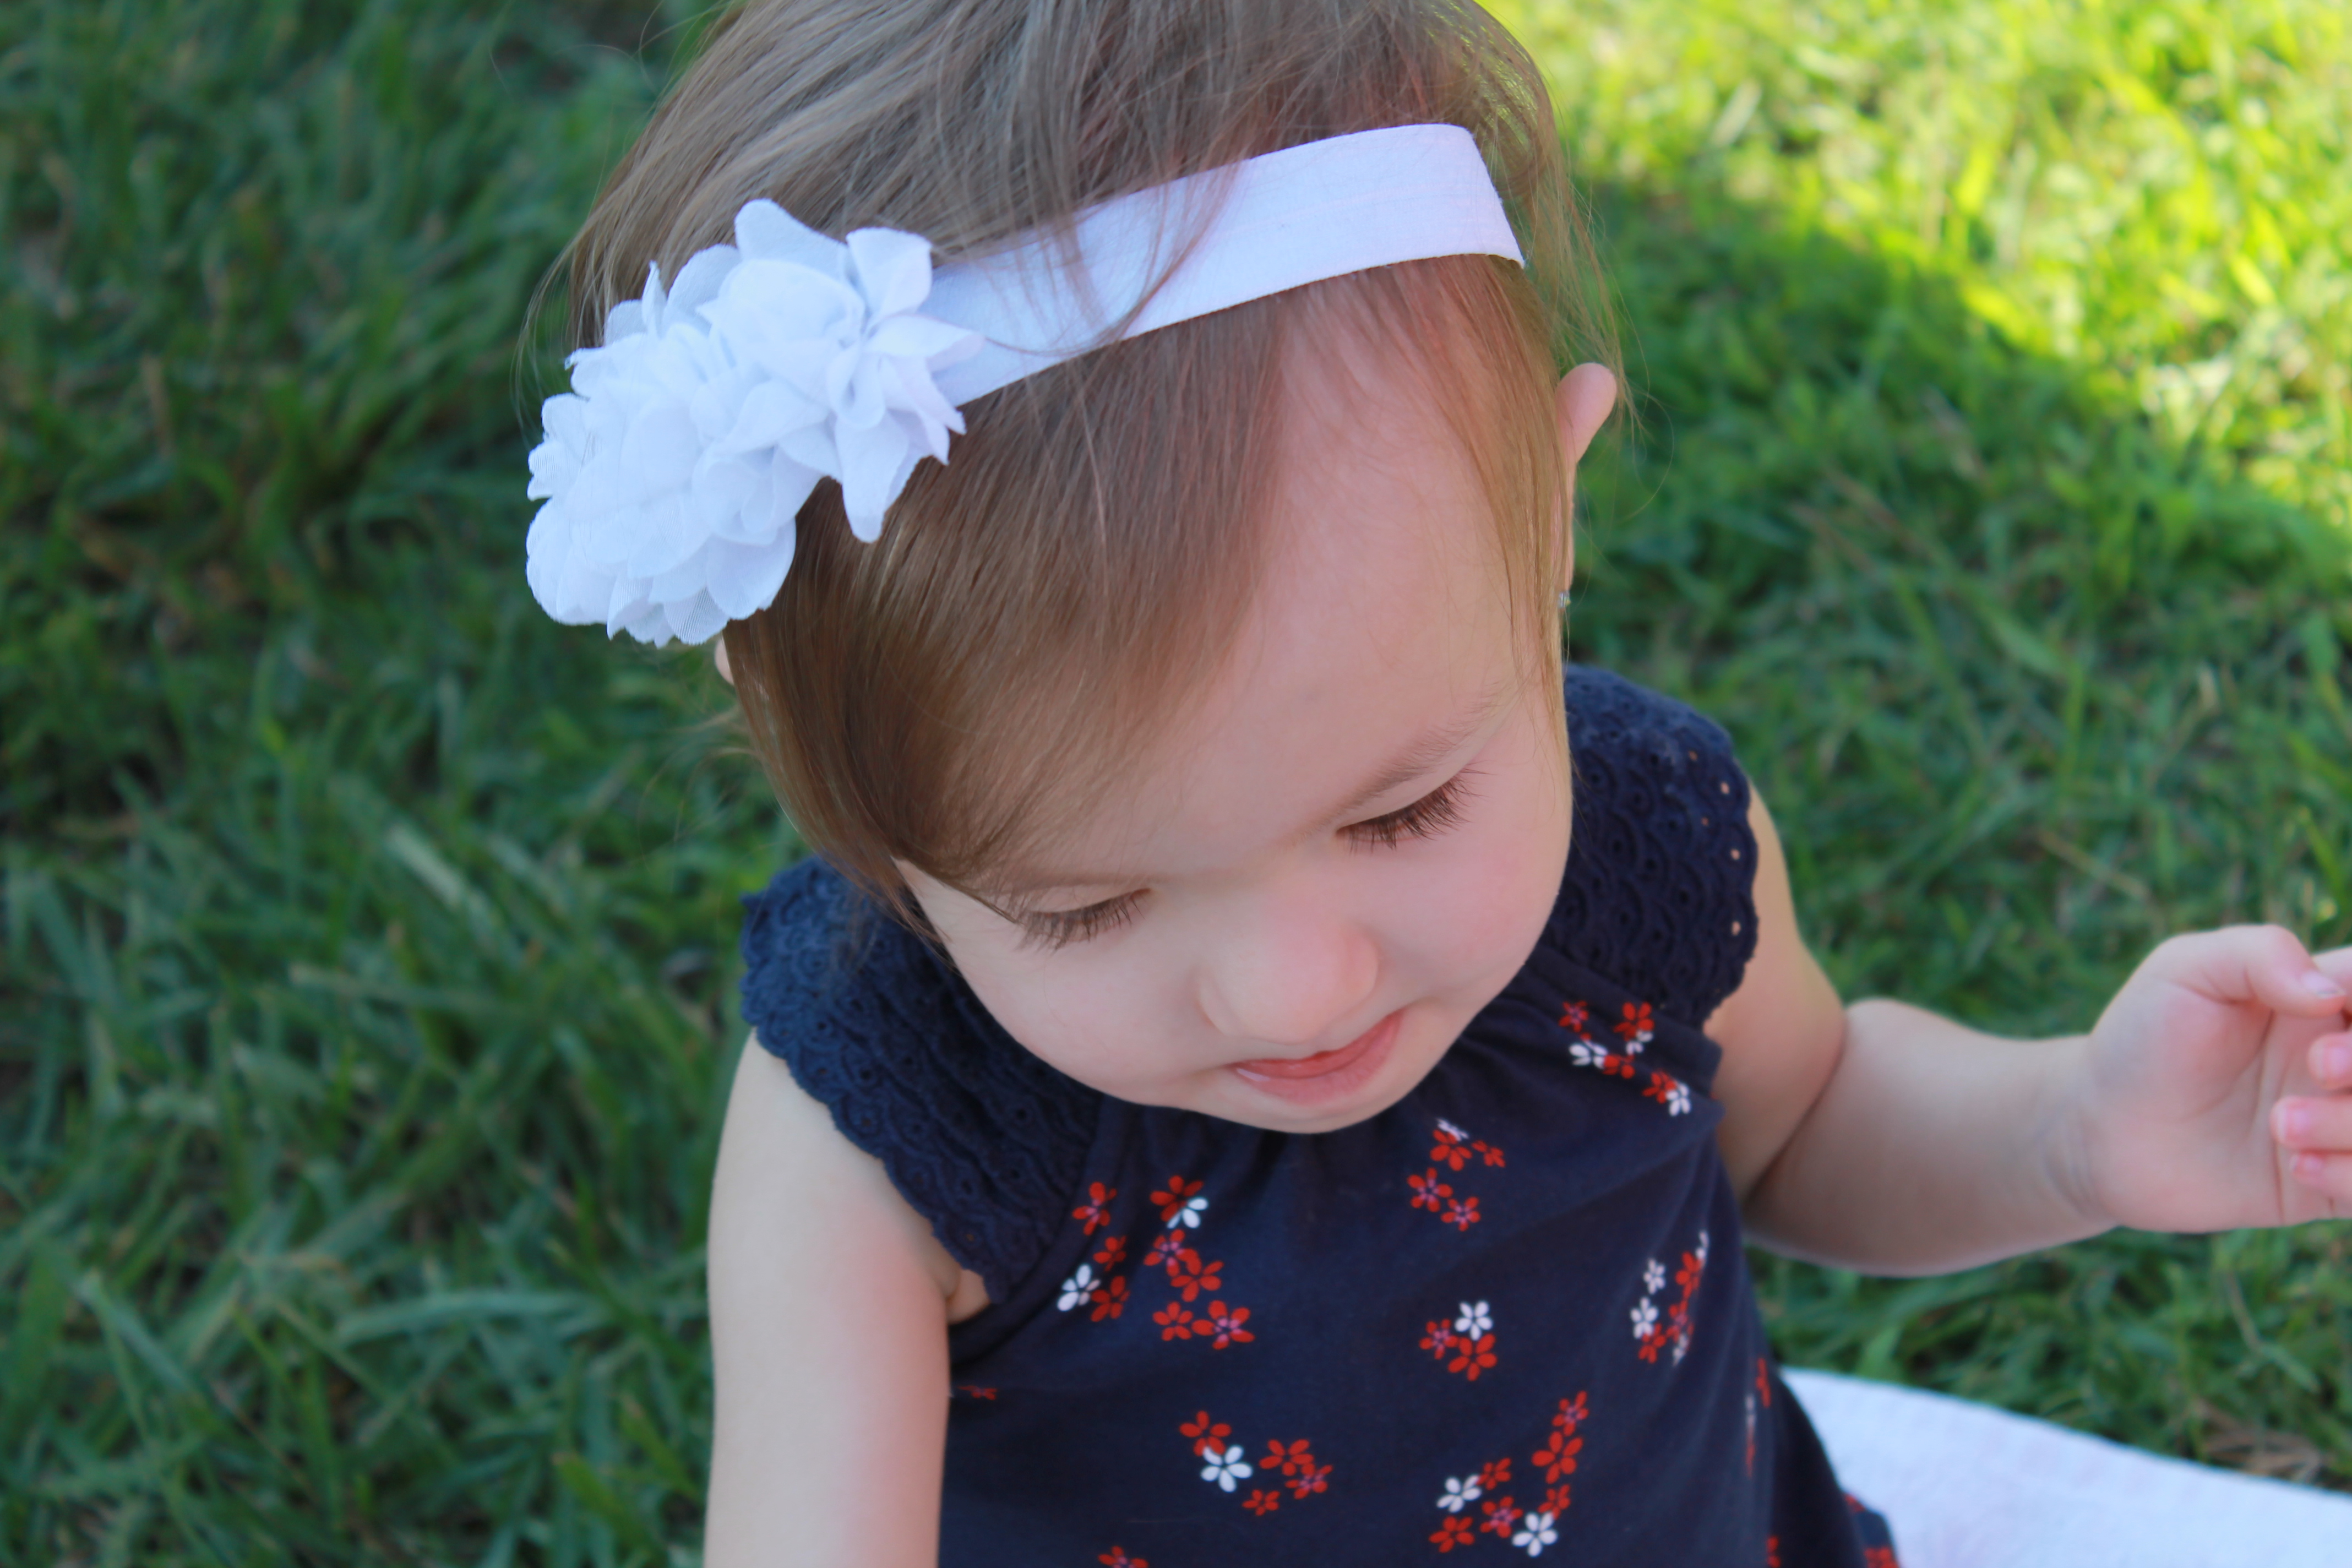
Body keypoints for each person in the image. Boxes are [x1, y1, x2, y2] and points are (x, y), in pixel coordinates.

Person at [520, 2, 2352, 1562]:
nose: (1296, 988)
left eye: (1402, 812)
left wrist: (2074, 1129)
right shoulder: (883, 1140)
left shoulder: (1638, 849)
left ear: (1546, 516)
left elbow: (1806, 1122)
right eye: (1081, 905)